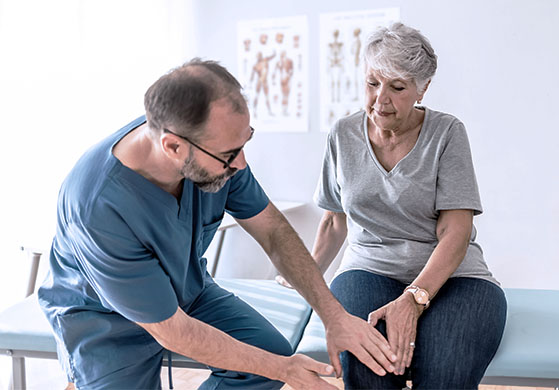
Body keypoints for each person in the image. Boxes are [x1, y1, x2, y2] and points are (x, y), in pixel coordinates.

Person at [38, 59, 398, 390]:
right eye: (229, 155)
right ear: (174, 147)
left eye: (245, 143)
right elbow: (172, 330)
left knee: (267, 355)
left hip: (186, 291)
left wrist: (333, 316)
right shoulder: (98, 203)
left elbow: (272, 230)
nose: (240, 164)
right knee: (274, 363)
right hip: (105, 320)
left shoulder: (216, 153)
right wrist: (285, 370)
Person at [279, 23, 507, 389]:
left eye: (397, 87)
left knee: (444, 375)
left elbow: (456, 230)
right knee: (371, 372)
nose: (380, 100)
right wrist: (305, 278)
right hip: (367, 270)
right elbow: (334, 223)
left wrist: (413, 300)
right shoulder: (343, 134)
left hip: (454, 278)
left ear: (423, 88)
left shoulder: (447, 133)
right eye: (372, 83)